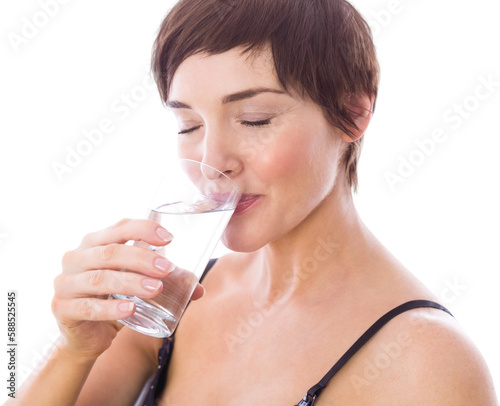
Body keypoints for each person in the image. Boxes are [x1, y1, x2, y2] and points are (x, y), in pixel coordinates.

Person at [7, 0, 498, 405]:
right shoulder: (172, 301)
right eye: (189, 126)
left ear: (353, 112)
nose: (213, 160)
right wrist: (74, 352)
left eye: (255, 119)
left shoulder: (425, 362)